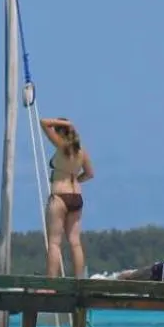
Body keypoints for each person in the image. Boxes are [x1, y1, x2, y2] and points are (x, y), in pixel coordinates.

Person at [41, 116, 95, 278]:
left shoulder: (61, 145)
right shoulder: (81, 151)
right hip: (76, 196)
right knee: (75, 242)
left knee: (55, 243)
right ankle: (79, 281)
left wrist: (67, 123)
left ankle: (50, 283)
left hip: (59, 196)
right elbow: (90, 174)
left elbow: (43, 122)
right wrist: (76, 180)